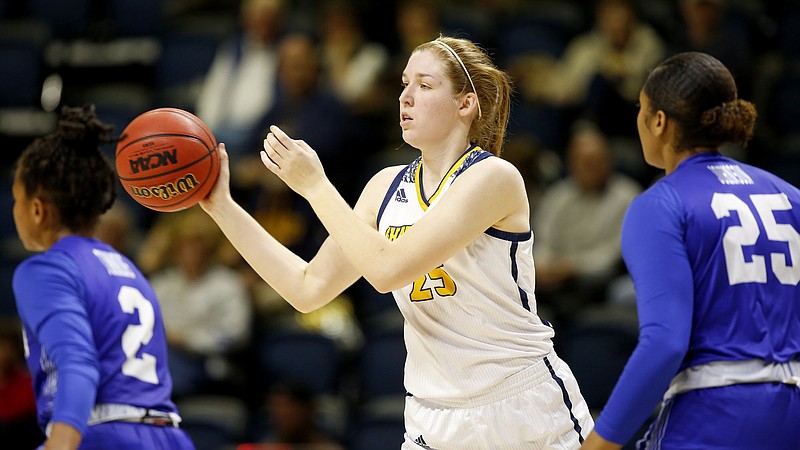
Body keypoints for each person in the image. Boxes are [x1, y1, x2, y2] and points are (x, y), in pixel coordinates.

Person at [201, 35, 593, 449]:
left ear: (465, 104)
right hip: (432, 415)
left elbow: (389, 270)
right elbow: (307, 287)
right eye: (405, 83)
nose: (405, 96)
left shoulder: (493, 178)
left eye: (424, 85)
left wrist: (315, 186)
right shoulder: (383, 188)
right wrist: (221, 207)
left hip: (518, 405)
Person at [580, 52, 800, 450]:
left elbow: (665, 342)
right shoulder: (791, 197)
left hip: (716, 413)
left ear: (659, 121)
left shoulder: (659, 205)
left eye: (641, 109)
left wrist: (598, 444)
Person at [10, 105, 195, 450]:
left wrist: (62, 442)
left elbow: (77, 363)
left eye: (15, 199)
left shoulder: (46, 269)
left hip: (102, 434)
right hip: (168, 436)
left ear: (37, 209)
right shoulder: (129, 269)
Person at [533, 125, 641, 325]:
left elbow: (614, 254)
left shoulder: (628, 197)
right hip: (551, 280)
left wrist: (573, 268)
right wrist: (543, 266)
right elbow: (543, 241)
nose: (589, 168)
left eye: (595, 161)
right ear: (571, 164)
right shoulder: (558, 196)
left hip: (595, 281)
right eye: (583, 162)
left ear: (609, 161)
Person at [145, 208, 253, 399]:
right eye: (185, 245)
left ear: (210, 248)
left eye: (198, 245)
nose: (191, 252)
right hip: (165, 355)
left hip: (208, 362)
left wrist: (189, 339)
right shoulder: (163, 283)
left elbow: (234, 335)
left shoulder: (227, 284)